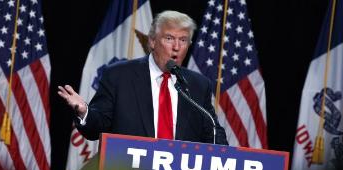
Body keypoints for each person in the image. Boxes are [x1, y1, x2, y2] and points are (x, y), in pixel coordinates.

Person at [58, 10, 228, 145]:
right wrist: (84, 112)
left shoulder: (198, 85)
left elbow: (213, 132)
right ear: (152, 41)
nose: (176, 47)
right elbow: (96, 129)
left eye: (183, 40)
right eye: (169, 38)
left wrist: (228, 158)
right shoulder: (119, 76)